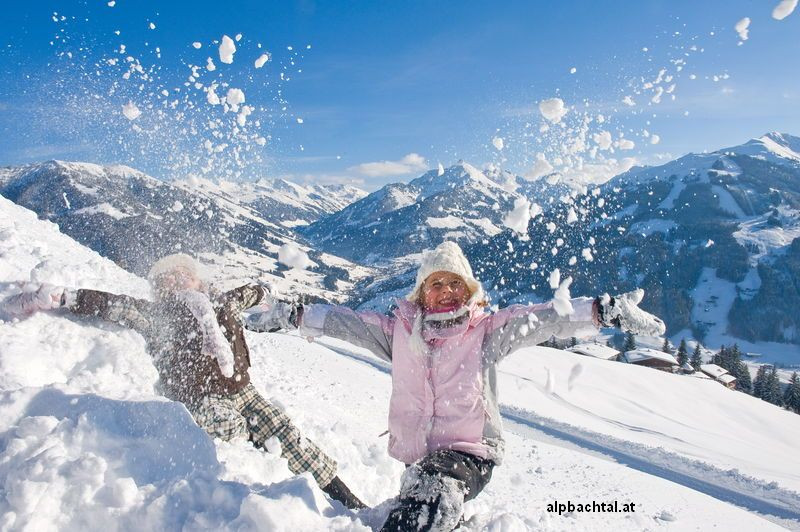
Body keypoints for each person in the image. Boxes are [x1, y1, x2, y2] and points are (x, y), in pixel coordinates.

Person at [249, 241, 665, 531]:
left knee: (432, 490)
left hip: (471, 454)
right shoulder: (400, 334)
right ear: (422, 293)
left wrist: (601, 310)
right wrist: (291, 315)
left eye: (455, 285)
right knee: (423, 496)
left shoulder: (485, 332)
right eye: (436, 284)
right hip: (422, 458)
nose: (446, 292)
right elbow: (346, 323)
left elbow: (542, 319)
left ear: (468, 292)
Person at [2, 253, 365, 510]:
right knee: (230, 430)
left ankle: (346, 500)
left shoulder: (222, 302)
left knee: (289, 435)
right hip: (200, 398)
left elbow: (250, 293)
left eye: (185, 276)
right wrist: (65, 296)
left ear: (200, 282)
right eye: (167, 279)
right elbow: (113, 304)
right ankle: (256, 475)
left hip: (245, 391)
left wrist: (262, 291)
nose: (178, 281)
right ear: (159, 290)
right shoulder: (155, 313)